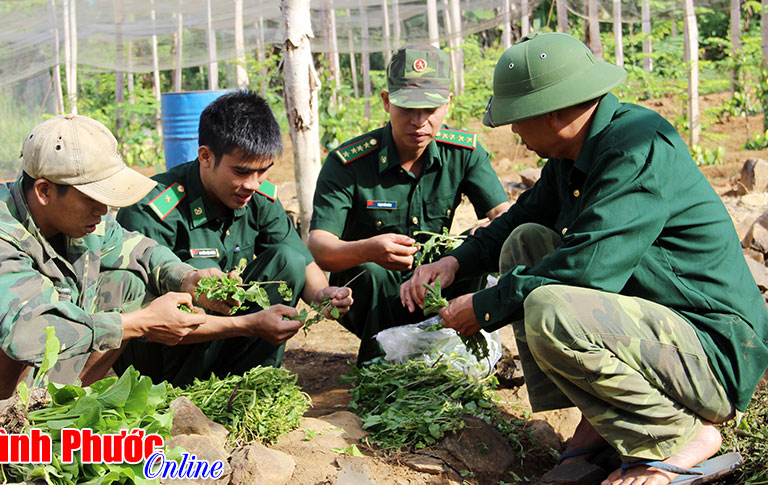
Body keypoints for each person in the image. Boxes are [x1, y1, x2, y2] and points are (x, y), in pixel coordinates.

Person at [402, 32, 768, 485]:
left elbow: (586, 270)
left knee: (549, 307)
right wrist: (457, 262)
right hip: (656, 334)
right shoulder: (574, 151)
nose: (514, 132)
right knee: (526, 241)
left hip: (709, 354)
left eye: (517, 119)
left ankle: (673, 437)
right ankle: (596, 421)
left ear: (554, 111)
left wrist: (484, 307)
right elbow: (524, 215)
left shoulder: (636, 147)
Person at [0, 114, 222, 403]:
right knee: (25, 323)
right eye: (92, 198)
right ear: (44, 191)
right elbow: (25, 333)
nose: (103, 210)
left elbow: (140, 252)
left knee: (128, 282)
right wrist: (138, 322)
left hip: (38, 375)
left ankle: (62, 406)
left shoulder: (81, 219)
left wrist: (187, 278)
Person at [116, 91, 352, 387]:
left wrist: (322, 296)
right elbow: (143, 318)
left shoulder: (257, 198)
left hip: (225, 339)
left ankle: (253, 383)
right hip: (158, 358)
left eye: (262, 171)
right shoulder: (152, 207)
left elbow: (299, 260)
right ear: (206, 156)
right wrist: (249, 324)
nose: (252, 184)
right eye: (241, 172)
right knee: (202, 269)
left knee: (287, 260)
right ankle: (185, 391)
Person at [308, 45, 510, 363]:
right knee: (369, 272)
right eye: (406, 109)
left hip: (436, 285)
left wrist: (487, 230)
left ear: (447, 105)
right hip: (373, 296)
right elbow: (320, 245)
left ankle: (452, 358)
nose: (418, 122)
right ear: (387, 102)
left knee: (475, 250)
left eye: (430, 110)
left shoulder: (464, 153)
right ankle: (378, 367)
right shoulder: (349, 163)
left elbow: (504, 215)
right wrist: (370, 250)